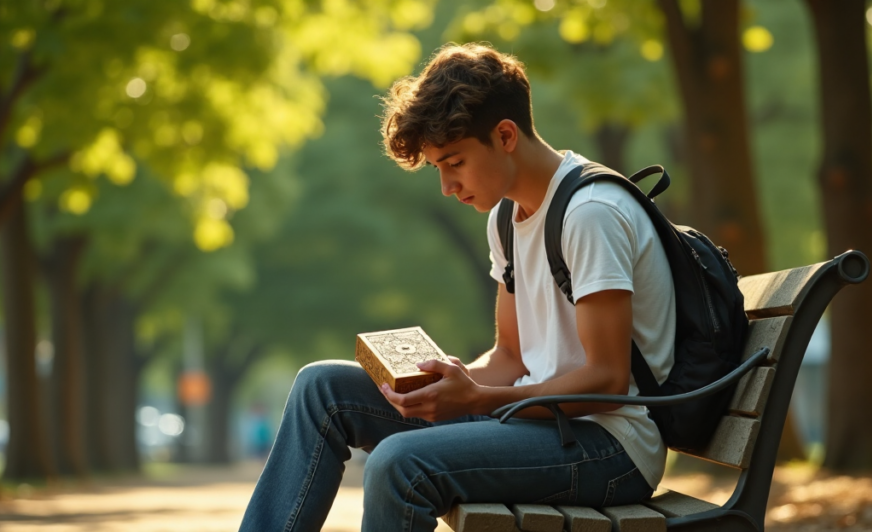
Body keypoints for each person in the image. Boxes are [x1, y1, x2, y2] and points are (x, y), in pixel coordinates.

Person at [238, 42, 675, 532]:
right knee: (322, 387)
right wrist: (451, 381)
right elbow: (509, 357)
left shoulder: (590, 214)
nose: (446, 186)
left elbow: (607, 382)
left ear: (505, 135)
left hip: (608, 447)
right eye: (438, 168)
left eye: (455, 162)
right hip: (537, 424)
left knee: (399, 461)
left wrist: (476, 400)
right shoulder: (507, 218)